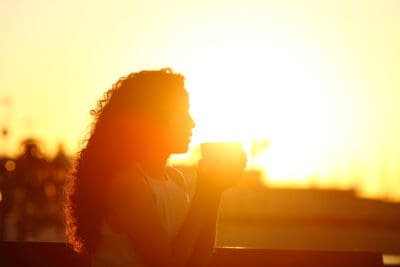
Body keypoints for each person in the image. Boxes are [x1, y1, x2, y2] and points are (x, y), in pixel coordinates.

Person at [65, 68, 247, 267]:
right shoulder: (129, 185)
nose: (192, 123)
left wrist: (214, 191)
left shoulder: (175, 179)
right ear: (154, 119)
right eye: (182, 112)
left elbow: (197, 260)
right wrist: (203, 193)